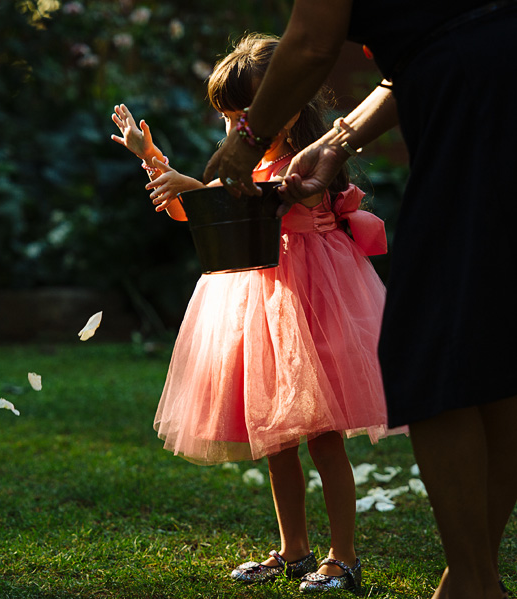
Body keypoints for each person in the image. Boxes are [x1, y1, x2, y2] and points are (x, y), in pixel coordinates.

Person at [204, 3, 517, 599]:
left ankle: (472, 582)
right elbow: (418, 55)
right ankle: (471, 577)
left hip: (477, 104)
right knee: (495, 336)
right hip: (485, 89)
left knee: (437, 342)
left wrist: (248, 140)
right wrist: (340, 140)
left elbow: (311, 42)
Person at [111, 33, 399, 593]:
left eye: (243, 115)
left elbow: (266, 208)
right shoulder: (252, 161)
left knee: (324, 436)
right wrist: (152, 160)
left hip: (317, 300)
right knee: (277, 435)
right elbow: (196, 214)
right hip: (261, 307)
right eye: (227, 117)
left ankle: (344, 555)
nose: (234, 128)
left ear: (286, 107)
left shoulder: (308, 163)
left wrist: (198, 186)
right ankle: (294, 549)